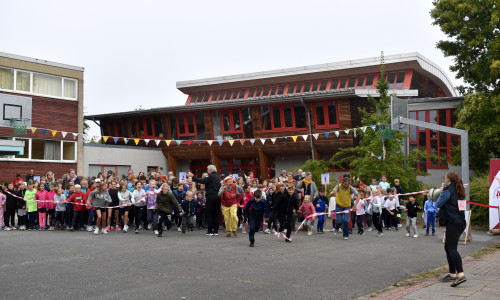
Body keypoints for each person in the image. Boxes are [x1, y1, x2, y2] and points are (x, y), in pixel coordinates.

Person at [436, 172, 468, 287]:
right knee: (448, 247)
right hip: (461, 221)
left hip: (453, 222)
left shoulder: (447, 190)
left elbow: (438, 204)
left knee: (452, 248)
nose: (444, 179)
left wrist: (441, 192)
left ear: (448, 179)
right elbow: (461, 206)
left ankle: (460, 274)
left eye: (445, 178)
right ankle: (452, 273)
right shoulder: (459, 189)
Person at [188, 166, 221, 236]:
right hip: (218, 197)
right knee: (216, 214)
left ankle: (210, 231)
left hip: (210, 197)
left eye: (207, 169)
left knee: (209, 214)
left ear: (210, 170)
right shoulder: (218, 177)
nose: (207, 171)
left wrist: (193, 177)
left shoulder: (209, 176)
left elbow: (202, 181)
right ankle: (216, 231)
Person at [330, 174, 358, 240]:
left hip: (347, 206)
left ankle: (345, 235)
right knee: (339, 221)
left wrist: (355, 205)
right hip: (339, 206)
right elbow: (333, 192)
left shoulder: (350, 187)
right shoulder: (338, 186)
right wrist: (332, 193)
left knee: (346, 221)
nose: (347, 185)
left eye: (348, 183)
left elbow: (358, 195)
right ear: (343, 182)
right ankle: (336, 228)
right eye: (346, 183)